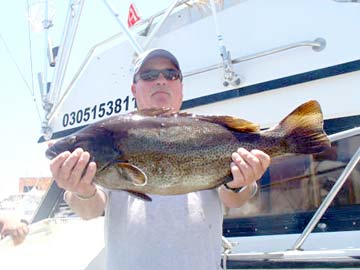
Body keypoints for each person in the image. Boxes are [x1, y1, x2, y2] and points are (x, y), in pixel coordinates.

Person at [49, 49, 270, 270]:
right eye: (149, 75)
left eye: (171, 74)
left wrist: (239, 183)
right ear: (134, 89)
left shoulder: (207, 133)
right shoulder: (111, 136)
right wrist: (81, 189)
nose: (161, 80)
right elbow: (89, 211)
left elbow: (234, 201)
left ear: (181, 88)